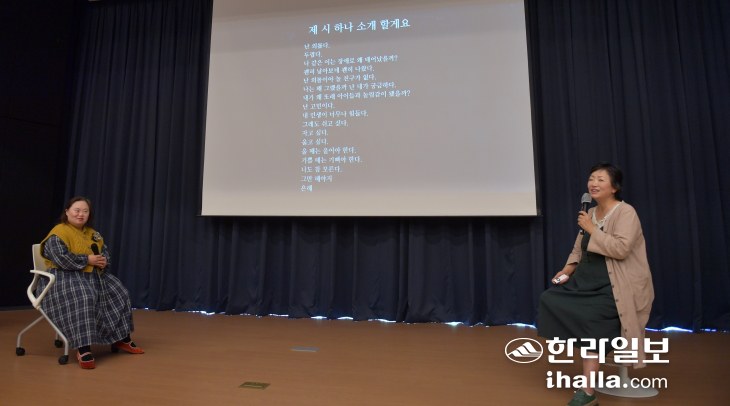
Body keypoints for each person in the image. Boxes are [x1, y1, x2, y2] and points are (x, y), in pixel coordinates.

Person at [538, 162, 654, 406]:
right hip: (585, 280)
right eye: (592, 178)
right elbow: (578, 248)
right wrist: (567, 270)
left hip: (614, 284)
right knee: (549, 298)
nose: (594, 183)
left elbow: (621, 249)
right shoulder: (590, 212)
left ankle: (587, 392)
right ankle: (593, 352)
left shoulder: (626, 212)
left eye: (601, 179)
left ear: (614, 187)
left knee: (593, 324)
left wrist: (592, 229)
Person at [37, 196, 144, 369]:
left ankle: (122, 339)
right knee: (84, 296)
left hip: (91, 275)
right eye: (77, 210)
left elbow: (104, 252)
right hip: (62, 277)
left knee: (120, 291)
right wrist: (87, 260)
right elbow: (60, 259)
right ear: (67, 212)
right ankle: (84, 349)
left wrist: (103, 261)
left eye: (85, 211)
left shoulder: (93, 233)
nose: (81, 214)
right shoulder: (58, 233)